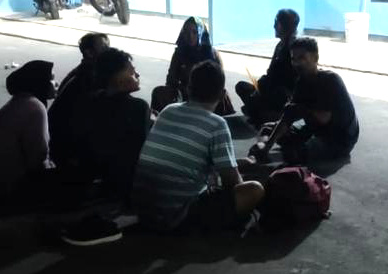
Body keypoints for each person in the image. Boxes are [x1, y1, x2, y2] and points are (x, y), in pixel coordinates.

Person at [132, 60, 265, 233]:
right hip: (176, 216)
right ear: (223, 94)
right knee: (254, 189)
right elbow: (231, 182)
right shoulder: (217, 124)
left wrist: (239, 162)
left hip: (143, 211)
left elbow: (186, 158)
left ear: (188, 89)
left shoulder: (168, 110)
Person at [248, 37, 359, 165]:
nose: (296, 63)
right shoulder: (301, 82)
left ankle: (269, 159)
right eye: (293, 59)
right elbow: (287, 118)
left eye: (302, 58)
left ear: (315, 58)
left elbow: (324, 118)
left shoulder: (330, 80)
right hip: (315, 130)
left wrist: (301, 109)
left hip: (338, 138)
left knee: (294, 153)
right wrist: (267, 146)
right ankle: (262, 152)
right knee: (268, 129)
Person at [70, 48, 151, 201]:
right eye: (132, 71)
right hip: (122, 185)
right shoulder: (138, 107)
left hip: (89, 180)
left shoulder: (89, 101)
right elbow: (140, 151)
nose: (137, 75)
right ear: (117, 78)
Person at [0, 60, 60, 211]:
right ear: (39, 82)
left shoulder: (20, 101)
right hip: (12, 193)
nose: (56, 84)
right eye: (51, 79)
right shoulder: (35, 107)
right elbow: (38, 159)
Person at [47, 32, 109, 164]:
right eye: (104, 48)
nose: (109, 51)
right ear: (89, 53)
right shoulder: (88, 78)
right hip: (67, 147)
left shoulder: (83, 72)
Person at [152, 17, 234, 116]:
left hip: (208, 95)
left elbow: (219, 81)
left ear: (201, 33)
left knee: (221, 96)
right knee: (158, 92)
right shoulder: (179, 53)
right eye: (186, 32)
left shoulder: (212, 54)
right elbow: (171, 79)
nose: (190, 36)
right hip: (186, 93)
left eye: (194, 32)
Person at [236, 9, 300, 124]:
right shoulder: (280, 45)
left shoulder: (294, 49)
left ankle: (267, 114)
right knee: (241, 87)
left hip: (282, 95)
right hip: (270, 90)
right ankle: (262, 112)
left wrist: (262, 87)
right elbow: (271, 73)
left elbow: (286, 80)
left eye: (276, 23)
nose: (274, 26)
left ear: (286, 26)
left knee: (260, 97)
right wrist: (260, 85)